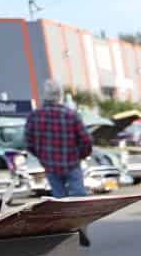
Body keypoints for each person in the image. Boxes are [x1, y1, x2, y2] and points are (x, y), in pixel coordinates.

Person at [23, 80, 95, 244]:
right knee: (78, 196)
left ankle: (65, 232)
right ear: (60, 95)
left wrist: (42, 156)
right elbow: (86, 140)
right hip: (72, 162)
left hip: (50, 165)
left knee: (59, 199)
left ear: (44, 95)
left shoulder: (34, 116)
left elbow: (28, 142)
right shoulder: (71, 114)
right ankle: (80, 225)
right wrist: (82, 155)